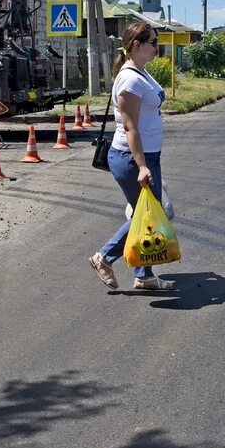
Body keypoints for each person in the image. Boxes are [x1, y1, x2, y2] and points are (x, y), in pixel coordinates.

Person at [88, 22, 176, 292]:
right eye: (152, 41)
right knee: (150, 215)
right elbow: (130, 128)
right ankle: (104, 257)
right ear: (136, 45)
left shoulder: (141, 73)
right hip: (132, 158)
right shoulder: (130, 79)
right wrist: (141, 166)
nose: (156, 46)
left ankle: (144, 275)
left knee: (148, 214)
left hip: (148, 156)